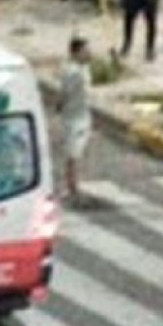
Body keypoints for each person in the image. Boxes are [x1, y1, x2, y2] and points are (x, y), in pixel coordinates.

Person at [58, 36, 93, 203]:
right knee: (73, 153)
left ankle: (74, 184)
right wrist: (60, 106)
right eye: (85, 51)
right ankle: (72, 187)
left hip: (83, 114)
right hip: (73, 117)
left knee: (78, 152)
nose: (89, 53)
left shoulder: (83, 68)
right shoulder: (72, 72)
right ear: (76, 52)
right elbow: (64, 93)